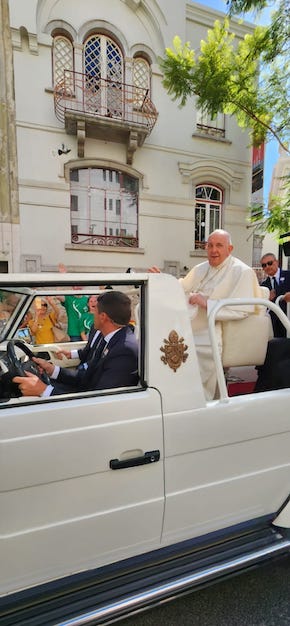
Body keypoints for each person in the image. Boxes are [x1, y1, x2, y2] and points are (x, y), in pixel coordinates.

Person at [150, 229, 262, 400]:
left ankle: (195, 399)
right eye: (210, 245)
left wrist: (207, 303)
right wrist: (162, 280)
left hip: (214, 329)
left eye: (219, 245)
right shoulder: (201, 268)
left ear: (229, 249)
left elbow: (241, 309)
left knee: (194, 355)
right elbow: (181, 288)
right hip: (189, 326)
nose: (213, 250)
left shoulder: (242, 271)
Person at [13, 291, 139, 397]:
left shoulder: (124, 350)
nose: (91, 313)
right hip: (85, 391)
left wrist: (43, 390)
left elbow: (100, 399)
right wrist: (52, 370)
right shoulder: (110, 338)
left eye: (95, 311)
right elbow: (87, 376)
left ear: (103, 317)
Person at [260, 253, 290, 337]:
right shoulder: (263, 286)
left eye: (269, 263)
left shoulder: (288, 275)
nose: (267, 267)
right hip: (274, 326)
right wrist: (267, 299)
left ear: (276, 262)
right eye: (264, 265)